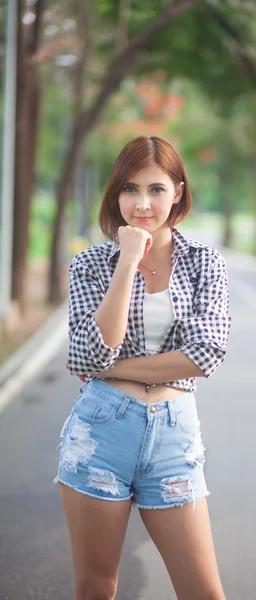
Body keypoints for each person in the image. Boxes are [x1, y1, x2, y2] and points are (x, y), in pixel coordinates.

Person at [53, 135, 231, 600]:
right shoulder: (90, 264)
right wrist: (128, 260)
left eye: (155, 189)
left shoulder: (203, 263)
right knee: (96, 588)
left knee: (204, 593)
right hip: (99, 434)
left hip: (174, 437)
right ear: (116, 195)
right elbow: (92, 355)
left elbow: (204, 353)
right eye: (130, 189)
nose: (142, 203)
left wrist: (112, 368)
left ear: (178, 191)